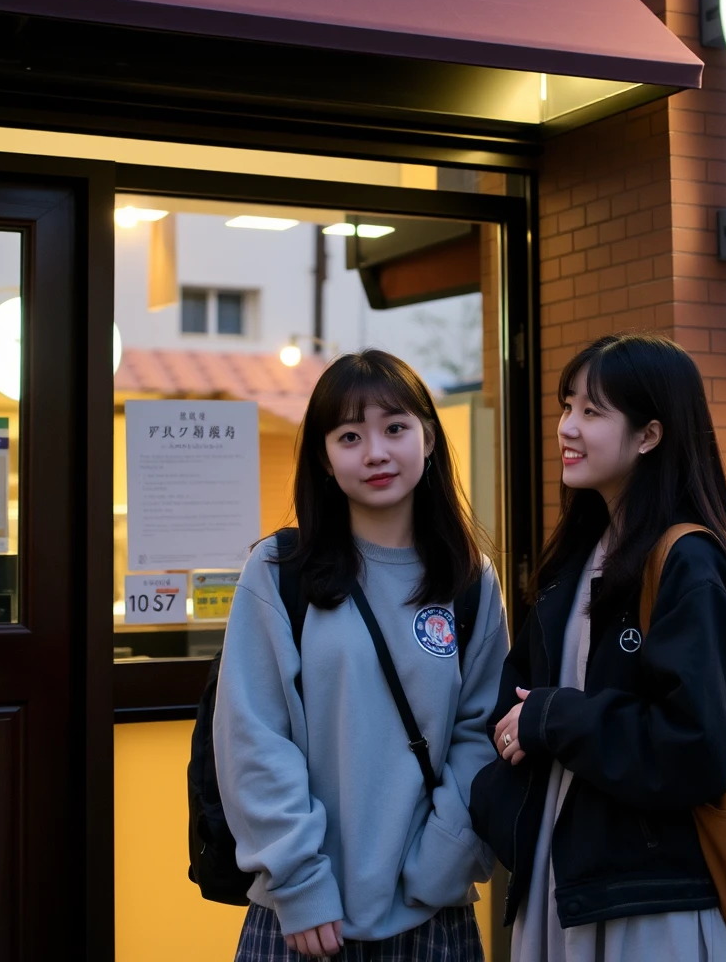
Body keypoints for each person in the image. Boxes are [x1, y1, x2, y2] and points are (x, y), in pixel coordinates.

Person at [469, 333, 726, 961]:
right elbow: (515, 702)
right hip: (569, 885)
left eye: (592, 411)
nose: (567, 428)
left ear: (650, 436)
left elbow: (695, 749)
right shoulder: (575, 558)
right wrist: (501, 801)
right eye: (566, 406)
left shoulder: (690, 563)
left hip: (654, 906)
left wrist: (555, 718)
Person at [215, 349, 508, 961]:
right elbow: (253, 738)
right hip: (303, 922)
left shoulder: (470, 580)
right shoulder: (277, 572)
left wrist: (443, 861)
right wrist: (299, 882)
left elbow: (482, 733)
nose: (375, 451)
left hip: (433, 916)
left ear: (429, 439)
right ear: (324, 458)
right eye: (350, 436)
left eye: (395, 428)